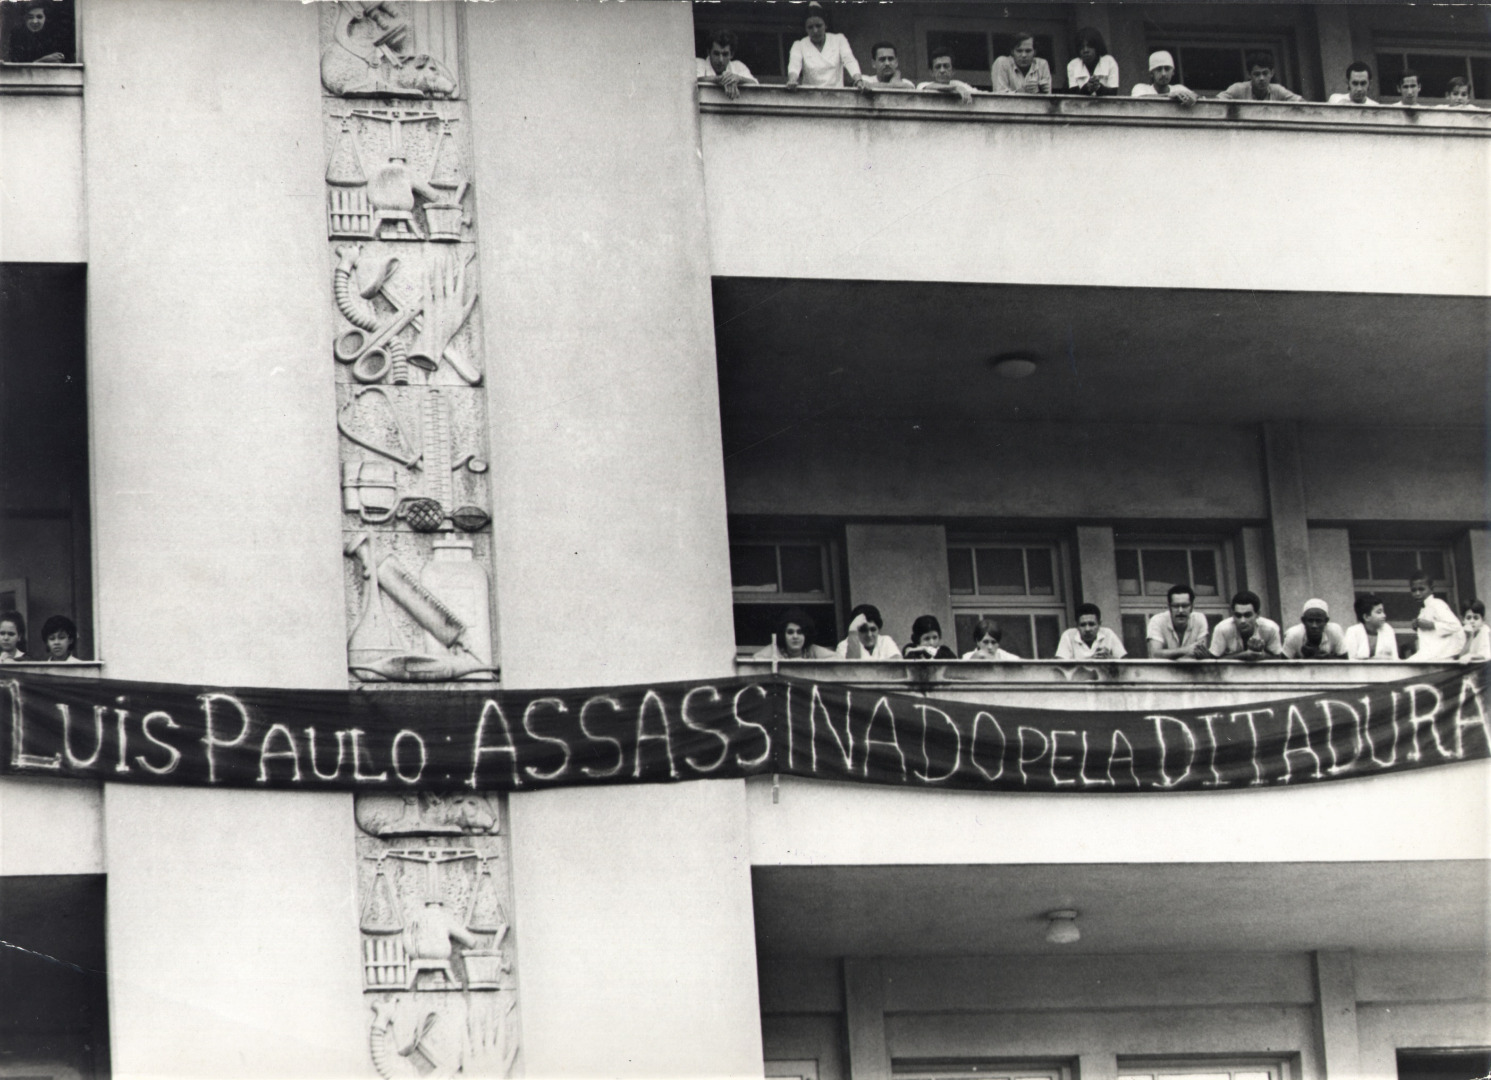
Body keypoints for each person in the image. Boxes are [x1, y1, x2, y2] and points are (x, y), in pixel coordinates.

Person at [785, 4, 864, 91]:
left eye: (818, 26)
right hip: (810, 95)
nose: (815, 31)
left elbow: (849, 60)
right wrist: (792, 80)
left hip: (837, 94)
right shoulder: (799, 45)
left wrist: (858, 80)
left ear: (826, 25)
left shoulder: (839, 40)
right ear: (805, 29)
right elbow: (794, 65)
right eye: (810, 27)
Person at [1207, 591, 1283, 661]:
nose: (1242, 621)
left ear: (1257, 614)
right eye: (1238, 615)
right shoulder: (1222, 628)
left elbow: (1278, 658)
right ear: (1232, 614)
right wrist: (1243, 655)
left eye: (1247, 615)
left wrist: (1261, 655)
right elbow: (1213, 661)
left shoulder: (1270, 628)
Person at [1408, 571, 1465, 660]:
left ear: (1431, 589)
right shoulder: (1423, 610)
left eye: (1421, 589)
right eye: (1414, 590)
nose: (1417, 593)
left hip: (1442, 657)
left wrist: (1432, 625)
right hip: (1430, 655)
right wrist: (1418, 627)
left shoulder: (1437, 604)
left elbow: (1456, 626)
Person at [1146, 584, 1210, 660]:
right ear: (1169, 607)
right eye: (1176, 606)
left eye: (1185, 606)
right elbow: (1154, 654)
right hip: (1164, 668)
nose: (1180, 611)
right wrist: (1186, 650)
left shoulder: (1199, 619)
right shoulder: (1157, 620)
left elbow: (1201, 654)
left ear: (1192, 607)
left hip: (1192, 667)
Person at [696, 29, 759, 101]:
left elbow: (755, 84)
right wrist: (721, 79)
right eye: (716, 54)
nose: (720, 60)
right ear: (708, 52)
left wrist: (739, 79)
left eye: (725, 54)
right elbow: (693, 81)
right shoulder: (699, 63)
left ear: (732, 54)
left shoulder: (738, 66)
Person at [1215, 52, 1303, 102]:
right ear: (1249, 75)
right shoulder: (1238, 89)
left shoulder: (1278, 90)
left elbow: (1302, 103)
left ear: (1272, 73)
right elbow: (1217, 102)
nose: (1261, 78)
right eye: (1257, 74)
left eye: (1265, 73)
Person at [754, 607, 834, 660]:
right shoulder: (776, 649)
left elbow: (836, 658)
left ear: (806, 635)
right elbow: (757, 658)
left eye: (800, 632)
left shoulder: (811, 650)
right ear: (783, 635)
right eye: (790, 632)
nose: (795, 636)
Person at [1055, 603, 1126, 660]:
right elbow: (1060, 664)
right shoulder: (1068, 635)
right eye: (1082, 625)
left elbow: (1125, 661)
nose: (1087, 629)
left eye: (1091, 624)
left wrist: (1110, 659)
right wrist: (1091, 660)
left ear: (1099, 624)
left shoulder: (1108, 633)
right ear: (1077, 625)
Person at [1281, 598, 1348, 659]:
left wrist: (1326, 658)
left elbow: (1345, 660)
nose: (1314, 626)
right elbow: (1282, 664)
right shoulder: (1293, 634)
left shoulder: (1335, 631)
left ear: (1326, 621)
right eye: (1310, 621)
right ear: (1303, 621)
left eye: (1318, 621)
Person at [1344, 593, 1400, 661]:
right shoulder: (1353, 631)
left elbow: (1394, 659)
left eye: (1383, 612)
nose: (1384, 615)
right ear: (1366, 617)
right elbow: (1350, 661)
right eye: (1379, 612)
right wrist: (1374, 659)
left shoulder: (1388, 629)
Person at [835, 604, 902, 660]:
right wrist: (853, 633)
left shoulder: (885, 641)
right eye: (863, 630)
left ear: (878, 629)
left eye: (873, 629)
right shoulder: (844, 646)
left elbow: (898, 665)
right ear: (856, 630)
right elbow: (851, 668)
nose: (869, 635)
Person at [1064, 27, 1118, 96]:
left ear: (1097, 47)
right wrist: (1087, 88)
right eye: (1081, 47)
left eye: (1090, 46)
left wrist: (1099, 87)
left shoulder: (1109, 62)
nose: (1085, 50)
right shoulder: (1073, 65)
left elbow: (1113, 94)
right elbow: (1074, 96)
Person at [1131, 51, 1197, 104]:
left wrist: (1194, 97)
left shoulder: (1178, 88)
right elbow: (1139, 100)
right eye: (1159, 69)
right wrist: (1170, 95)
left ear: (1173, 72)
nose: (1163, 74)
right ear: (1151, 73)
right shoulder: (1141, 88)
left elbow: (1195, 96)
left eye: (1167, 69)